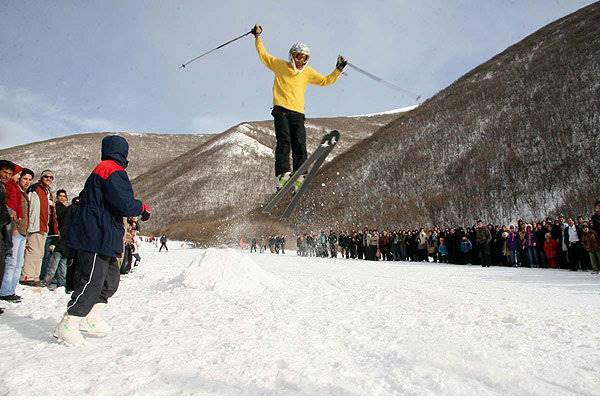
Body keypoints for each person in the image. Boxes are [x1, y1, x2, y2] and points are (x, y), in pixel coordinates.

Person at [54, 135, 151, 346]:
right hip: (96, 235)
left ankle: (91, 318)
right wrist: (141, 207)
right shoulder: (111, 169)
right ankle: (69, 323)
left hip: (106, 234)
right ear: (122, 152)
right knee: (92, 280)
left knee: (110, 281)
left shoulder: (107, 169)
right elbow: (124, 203)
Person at [252, 24, 347, 192]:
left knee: (299, 143)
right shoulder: (280, 65)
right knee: (285, 141)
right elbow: (264, 55)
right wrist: (258, 37)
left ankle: (300, 176)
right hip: (281, 111)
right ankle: (282, 176)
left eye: (304, 58)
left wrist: (338, 69)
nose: (301, 61)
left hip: (298, 114)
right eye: (298, 57)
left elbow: (325, 81)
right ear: (291, 56)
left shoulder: (308, 72)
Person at [20, 170, 59, 286]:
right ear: (42, 177)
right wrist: (30, 223)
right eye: (46, 176)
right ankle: (27, 276)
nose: (48, 179)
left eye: (51, 177)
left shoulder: (47, 192)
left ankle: (35, 277)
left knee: (40, 253)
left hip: (44, 226)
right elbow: (29, 205)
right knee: (33, 251)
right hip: (35, 225)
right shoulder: (35, 189)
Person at [0, 168, 33, 301]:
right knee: (11, 262)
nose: (27, 182)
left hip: (23, 231)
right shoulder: (10, 188)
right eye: (24, 178)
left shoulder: (23, 193)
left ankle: (11, 289)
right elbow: (11, 210)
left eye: (29, 180)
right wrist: (13, 227)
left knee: (18, 263)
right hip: (14, 230)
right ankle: (4, 291)